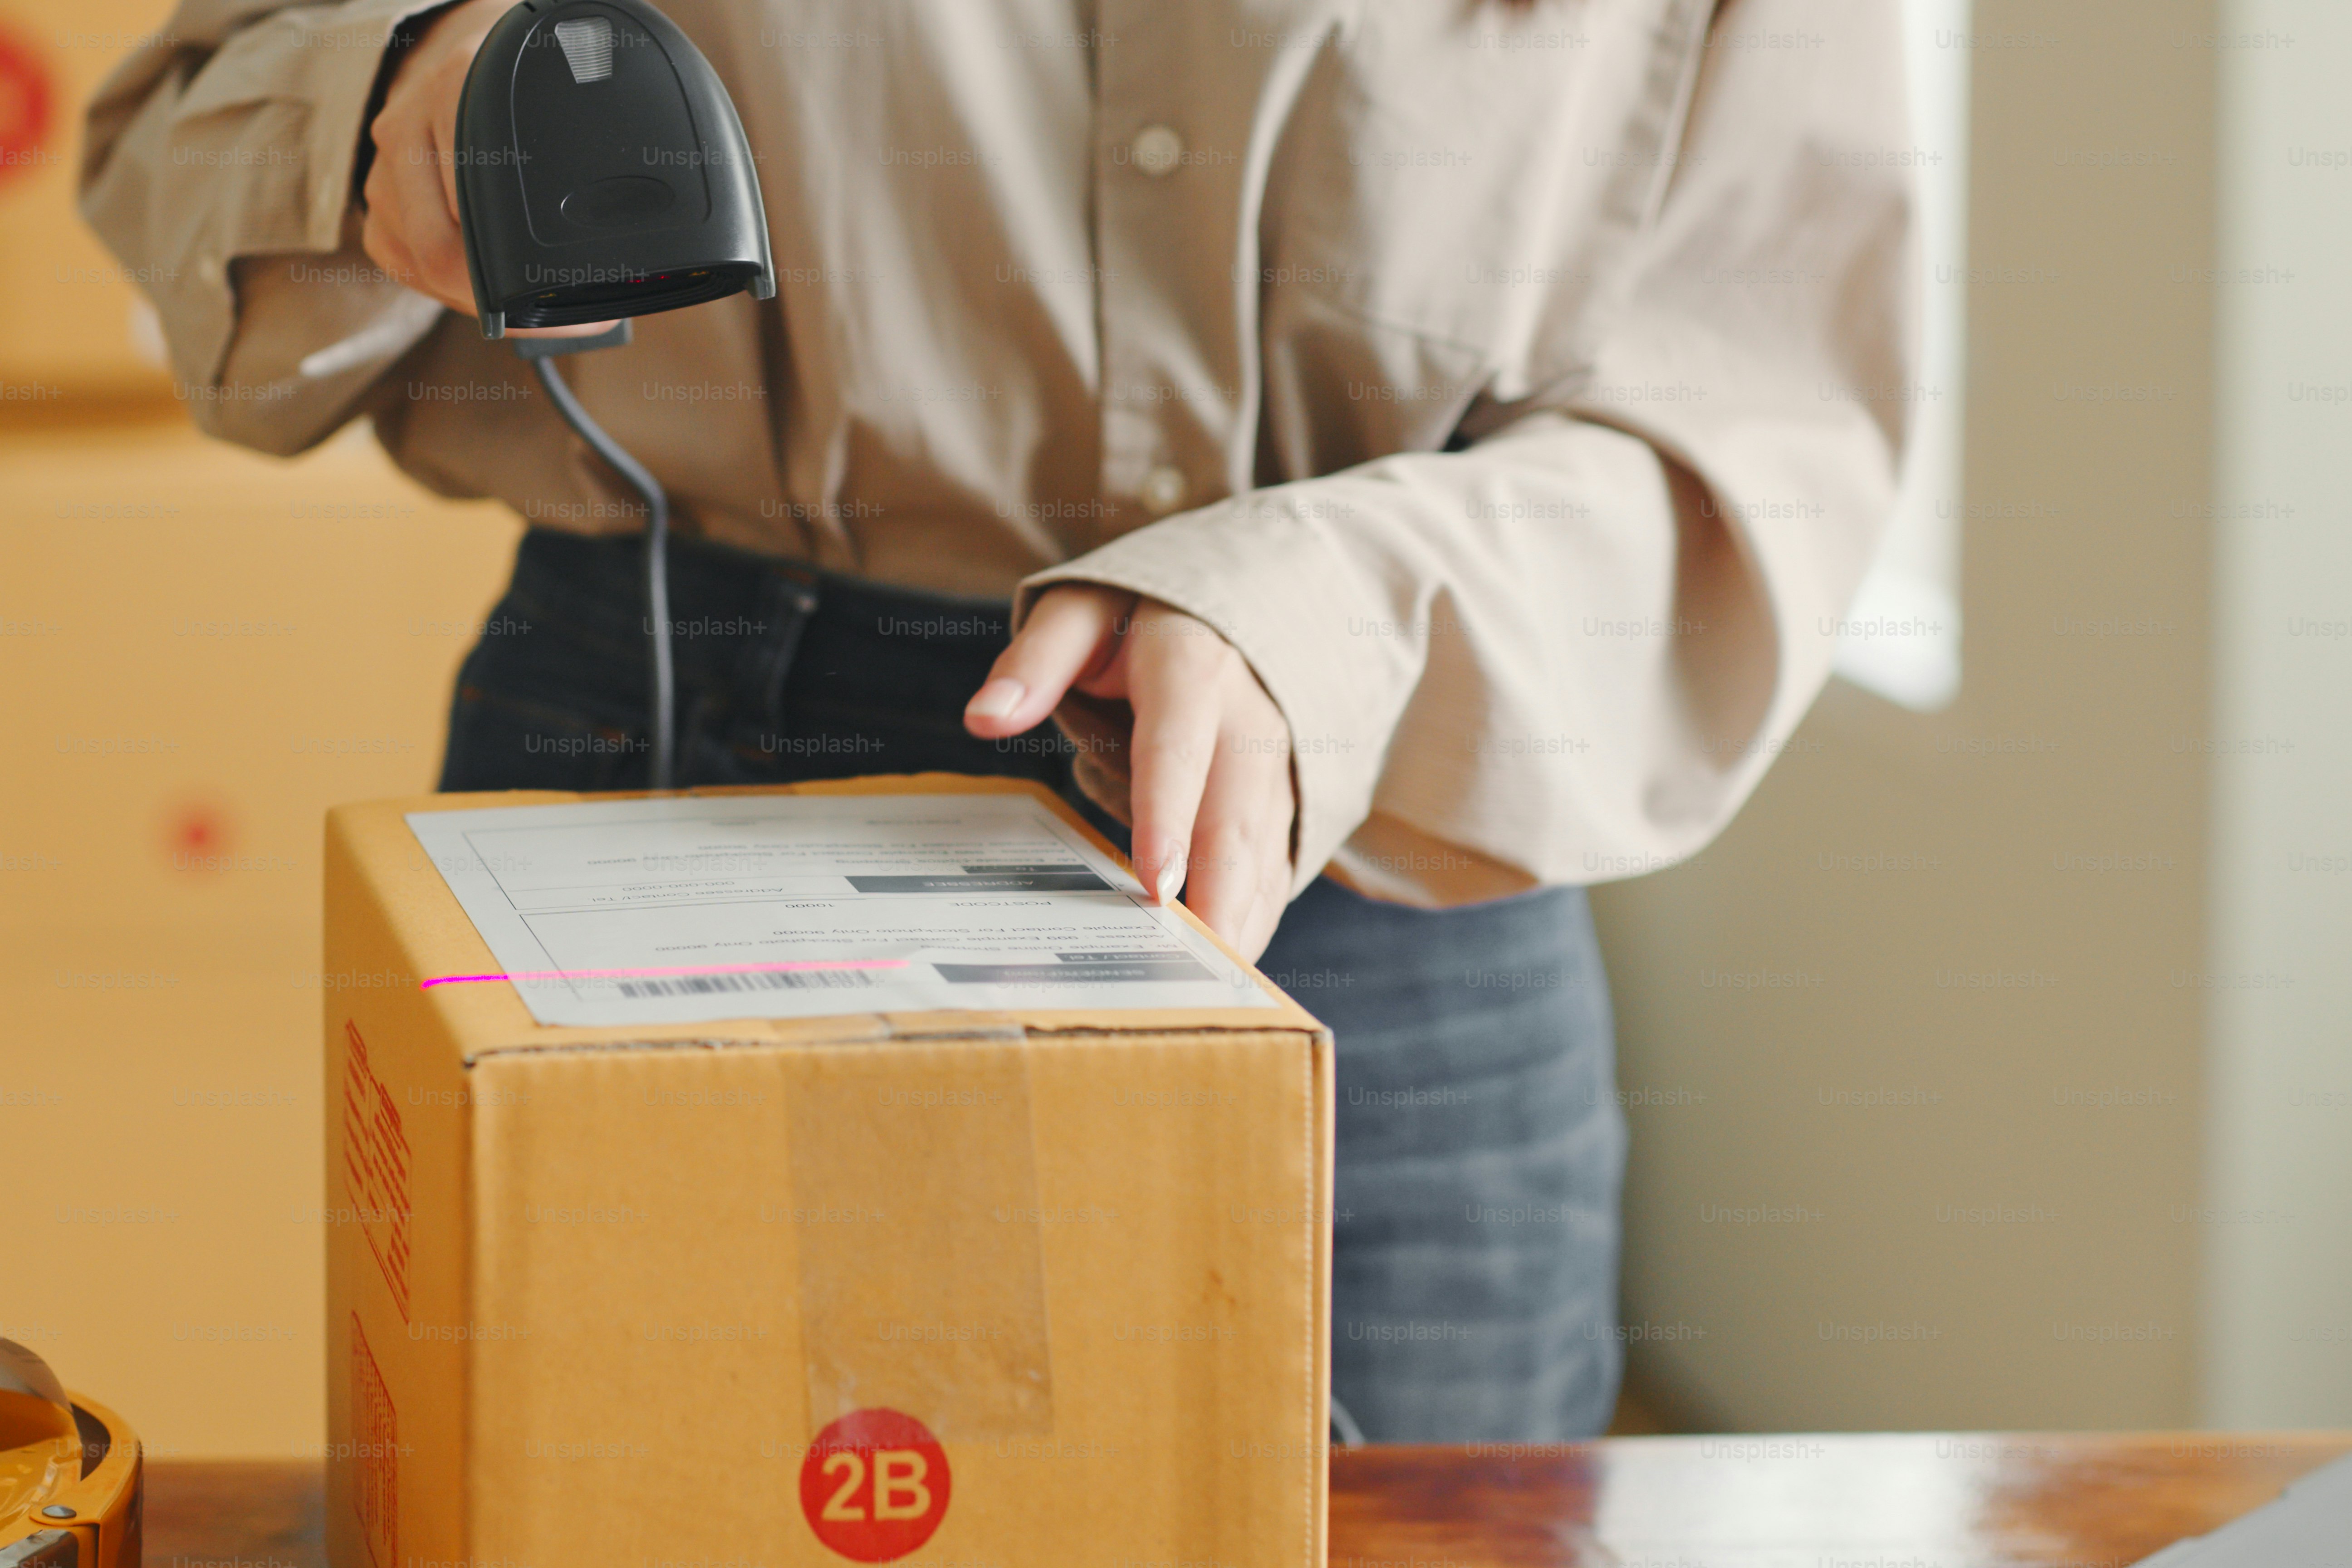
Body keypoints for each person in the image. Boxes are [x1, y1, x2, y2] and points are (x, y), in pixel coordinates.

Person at [83, 0, 1912, 1441]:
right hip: (667, 737)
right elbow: (182, 128)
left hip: (1377, 826)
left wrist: (1328, 618)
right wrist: (387, 107)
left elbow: (1760, 424)